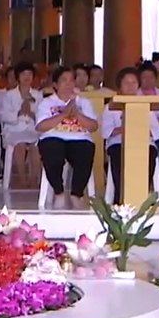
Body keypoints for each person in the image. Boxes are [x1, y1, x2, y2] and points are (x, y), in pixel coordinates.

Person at [35, 66, 99, 210]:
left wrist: (77, 114)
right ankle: (59, 192)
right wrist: (63, 115)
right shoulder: (47, 103)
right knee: (52, 153)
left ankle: (76, 194)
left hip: (79, 138)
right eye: (64, 80)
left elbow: (93, 126)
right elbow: (40, 126)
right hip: (53, 137)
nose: (69, 84)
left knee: (85, 152)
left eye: (71, 80)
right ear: (55, 85)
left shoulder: (83, 102)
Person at [103, 68, 159, 204]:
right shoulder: (110, 106)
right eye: (126, 83)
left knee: (150, 154)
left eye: (134, 82)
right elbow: (105, 132)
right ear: (120, 85)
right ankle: (120, 199)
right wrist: (124, 129)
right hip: (118, 143)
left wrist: (138, 129)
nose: (130, 86)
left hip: (143, 143)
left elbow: (157, 133)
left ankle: (142, 196)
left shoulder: (146, 104)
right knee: (119, 156)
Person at [0, 62, 44, 182]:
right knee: (20, 146)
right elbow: (3, 115)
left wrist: (33, 115)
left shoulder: (38, 95)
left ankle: (33, 178)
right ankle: (22, 179)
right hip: (14, 130)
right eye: (23, 74)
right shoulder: (9, 95)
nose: (27, 77)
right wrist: (18, 113)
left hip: (33, 129)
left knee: (36, 146)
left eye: (29, 74)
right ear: (18, 77)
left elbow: (44, 115)